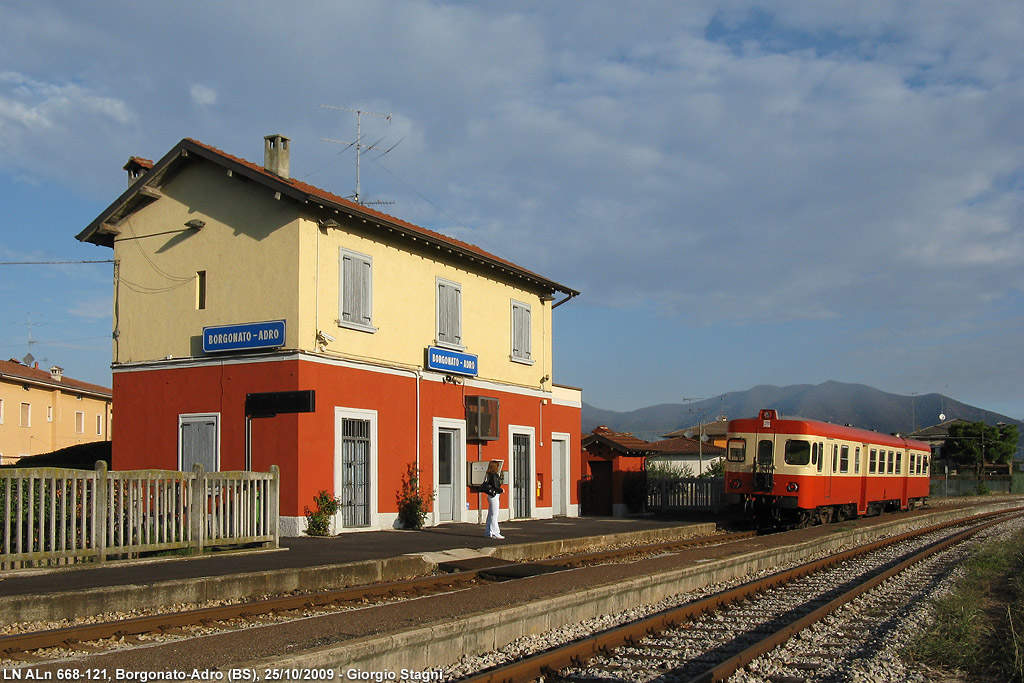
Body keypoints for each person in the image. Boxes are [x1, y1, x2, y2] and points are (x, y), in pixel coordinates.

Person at [483, 461, 504, 539]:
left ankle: (488, 532)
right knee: (494, 514)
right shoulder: (494, 475)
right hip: (494, 496)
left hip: (490, 495)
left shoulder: (488, 475)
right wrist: (501, 490)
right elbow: (495, 486)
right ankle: (495, 532)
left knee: (490, 514)